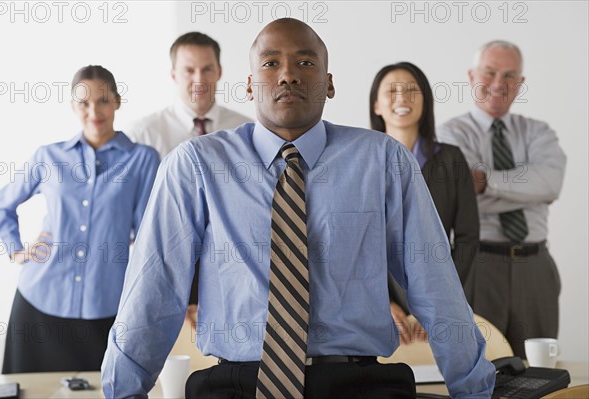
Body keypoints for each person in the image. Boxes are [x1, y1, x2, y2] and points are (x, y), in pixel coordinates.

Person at [101, 19, 495, 398]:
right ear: (250, 85)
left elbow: (435, 286)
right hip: (236, 382)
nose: (288, 75)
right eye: (271, 63)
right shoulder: (195, 166)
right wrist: (122, 392)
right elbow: (153, 291)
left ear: (329, 84)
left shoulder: (384, 161)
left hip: (357, 382)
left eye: (305, 62)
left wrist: (474, 391)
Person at [0, 65, 160, 373]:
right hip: (38, 301)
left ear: (117, 102)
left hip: (106, 306)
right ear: (73, 106)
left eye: (103, 100)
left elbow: (149, 235)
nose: (94, 111)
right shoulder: (48, 156)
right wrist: (17, 250)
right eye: (83, 102)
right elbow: (0, 203)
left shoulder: (142, 160)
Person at [437, 40, 566, 358]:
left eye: (509, 76)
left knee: (539, 372)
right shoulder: (450, 135)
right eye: (489, 72)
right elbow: (461, 198)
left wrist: (485, 181)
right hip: (480, 265)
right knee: (482, 365)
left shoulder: (538, 132)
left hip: (536, 268)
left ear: (520, 83)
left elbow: (550, 182)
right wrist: (529, 193)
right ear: (471, 76)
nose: (498, 84)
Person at [127, 31, 252, 324]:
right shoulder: (141, 135)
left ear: (219, 71)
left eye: (207, 68)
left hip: (230, 276)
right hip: (161, 272)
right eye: (189, 70)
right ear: (173, 74)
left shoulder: (247, 132)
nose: (199, 78)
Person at [369, 62, 479, 345]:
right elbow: (359, 245)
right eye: (392, 92)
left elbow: (467, 236)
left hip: (443, 306)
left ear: (425, 101)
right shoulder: (363, 163)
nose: (402, 98)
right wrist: (383, 303)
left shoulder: (452, 159)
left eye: (411, 91)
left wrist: (441, 302)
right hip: (382, 308)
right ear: (377, 106)